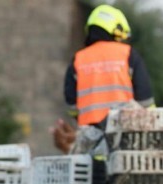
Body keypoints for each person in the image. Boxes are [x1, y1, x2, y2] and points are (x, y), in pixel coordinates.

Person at [52, 4, 154, 152]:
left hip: (90, 139)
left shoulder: (78, 60)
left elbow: (72, 105)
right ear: (116, 30)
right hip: (126, 136)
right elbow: (146, 101)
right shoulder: (128, 54)